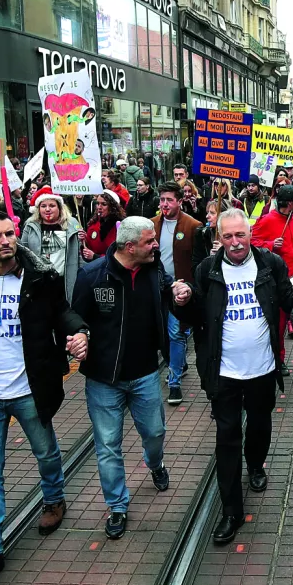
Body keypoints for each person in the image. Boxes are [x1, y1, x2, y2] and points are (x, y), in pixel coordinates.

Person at [0, 209, 89, 585]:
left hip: (30, 387)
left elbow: (62, 313)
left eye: (10, 233)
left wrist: (78, 333)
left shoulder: (40, 277)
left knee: (46, 452)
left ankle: (53, 498)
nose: (6, 241)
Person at [185, 209, 293, 544]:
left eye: (240, 235)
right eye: (228, 236)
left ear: (250, 234)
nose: (235, 242)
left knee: (259, 424)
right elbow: (195, 315)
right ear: (219, 238)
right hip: (223, 371)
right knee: (226, 438)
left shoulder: (270, 264)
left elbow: (287, 298)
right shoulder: (207, 269)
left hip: (262, 368)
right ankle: (231, 511)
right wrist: (182, 300)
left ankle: (255, 464)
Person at [71, 217, 186, 538]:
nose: (156, 245)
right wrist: (78, 334)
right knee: (108, 445)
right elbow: (74, 315)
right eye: (150, 241)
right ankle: (117, 505)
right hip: (102, 379)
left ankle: (155, 463)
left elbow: (167, 288)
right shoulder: (93, 275)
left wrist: (179, 290)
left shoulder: (153, 269)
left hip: (145, 372)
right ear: (130, 246)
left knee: (155, 432)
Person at [153, 182, 202, 405]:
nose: (164, 204)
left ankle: (174, 383)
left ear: (180, 201)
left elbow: (197, 262)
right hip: (157, 288)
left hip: (179, 289)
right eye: (162, 200)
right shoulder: (152, 224)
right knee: (161, 335)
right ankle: (179, 363)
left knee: (176, 333)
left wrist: (190, 288)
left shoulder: (193, 226)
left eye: (169, 200)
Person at [250, 184, 293, 365]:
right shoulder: (267, 220)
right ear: (290, 203)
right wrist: (270, 244)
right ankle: (278, 361)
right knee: (278, 325)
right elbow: (252, 243)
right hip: (278, 282)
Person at [21, 186, 84, 303]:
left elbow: (80, 254)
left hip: (64, 282)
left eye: (52, 206)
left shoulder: (72, 224)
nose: (47, 209)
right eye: (43, 206)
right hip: (39, 283)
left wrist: (83, 241)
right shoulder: (30, 226)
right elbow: (23, 252)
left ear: (59, 207)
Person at [82, 192, 125, 261]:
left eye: (104, 204)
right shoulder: (93, 224)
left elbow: (120, 256)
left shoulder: (121, 226)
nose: (99, 207)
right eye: (98, 203)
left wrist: (95, 256)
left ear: (113, 206)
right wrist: (83, 241)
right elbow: (88, 251)